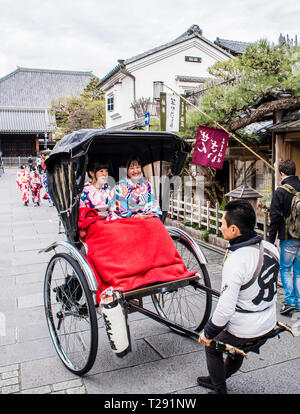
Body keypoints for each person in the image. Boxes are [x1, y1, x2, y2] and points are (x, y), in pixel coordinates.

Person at [198, 199, 279, 394]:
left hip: (247, 327)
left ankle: (218, 387)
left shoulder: (237, 260)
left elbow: (225, 310)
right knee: (230, 341)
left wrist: (207, 333)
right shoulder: (271, 247)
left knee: (211, 344)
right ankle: (221, 375)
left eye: (223, 223)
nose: (220, 227)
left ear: (234, 229)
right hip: (269, 320)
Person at [269, 160, 300, 315]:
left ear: (282, 173)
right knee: (299, 271)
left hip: (288, 236)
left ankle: (289, 302)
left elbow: (274, 218)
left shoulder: (280, 191)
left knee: (286, 269)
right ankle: (298, 302)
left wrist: (270, 241)